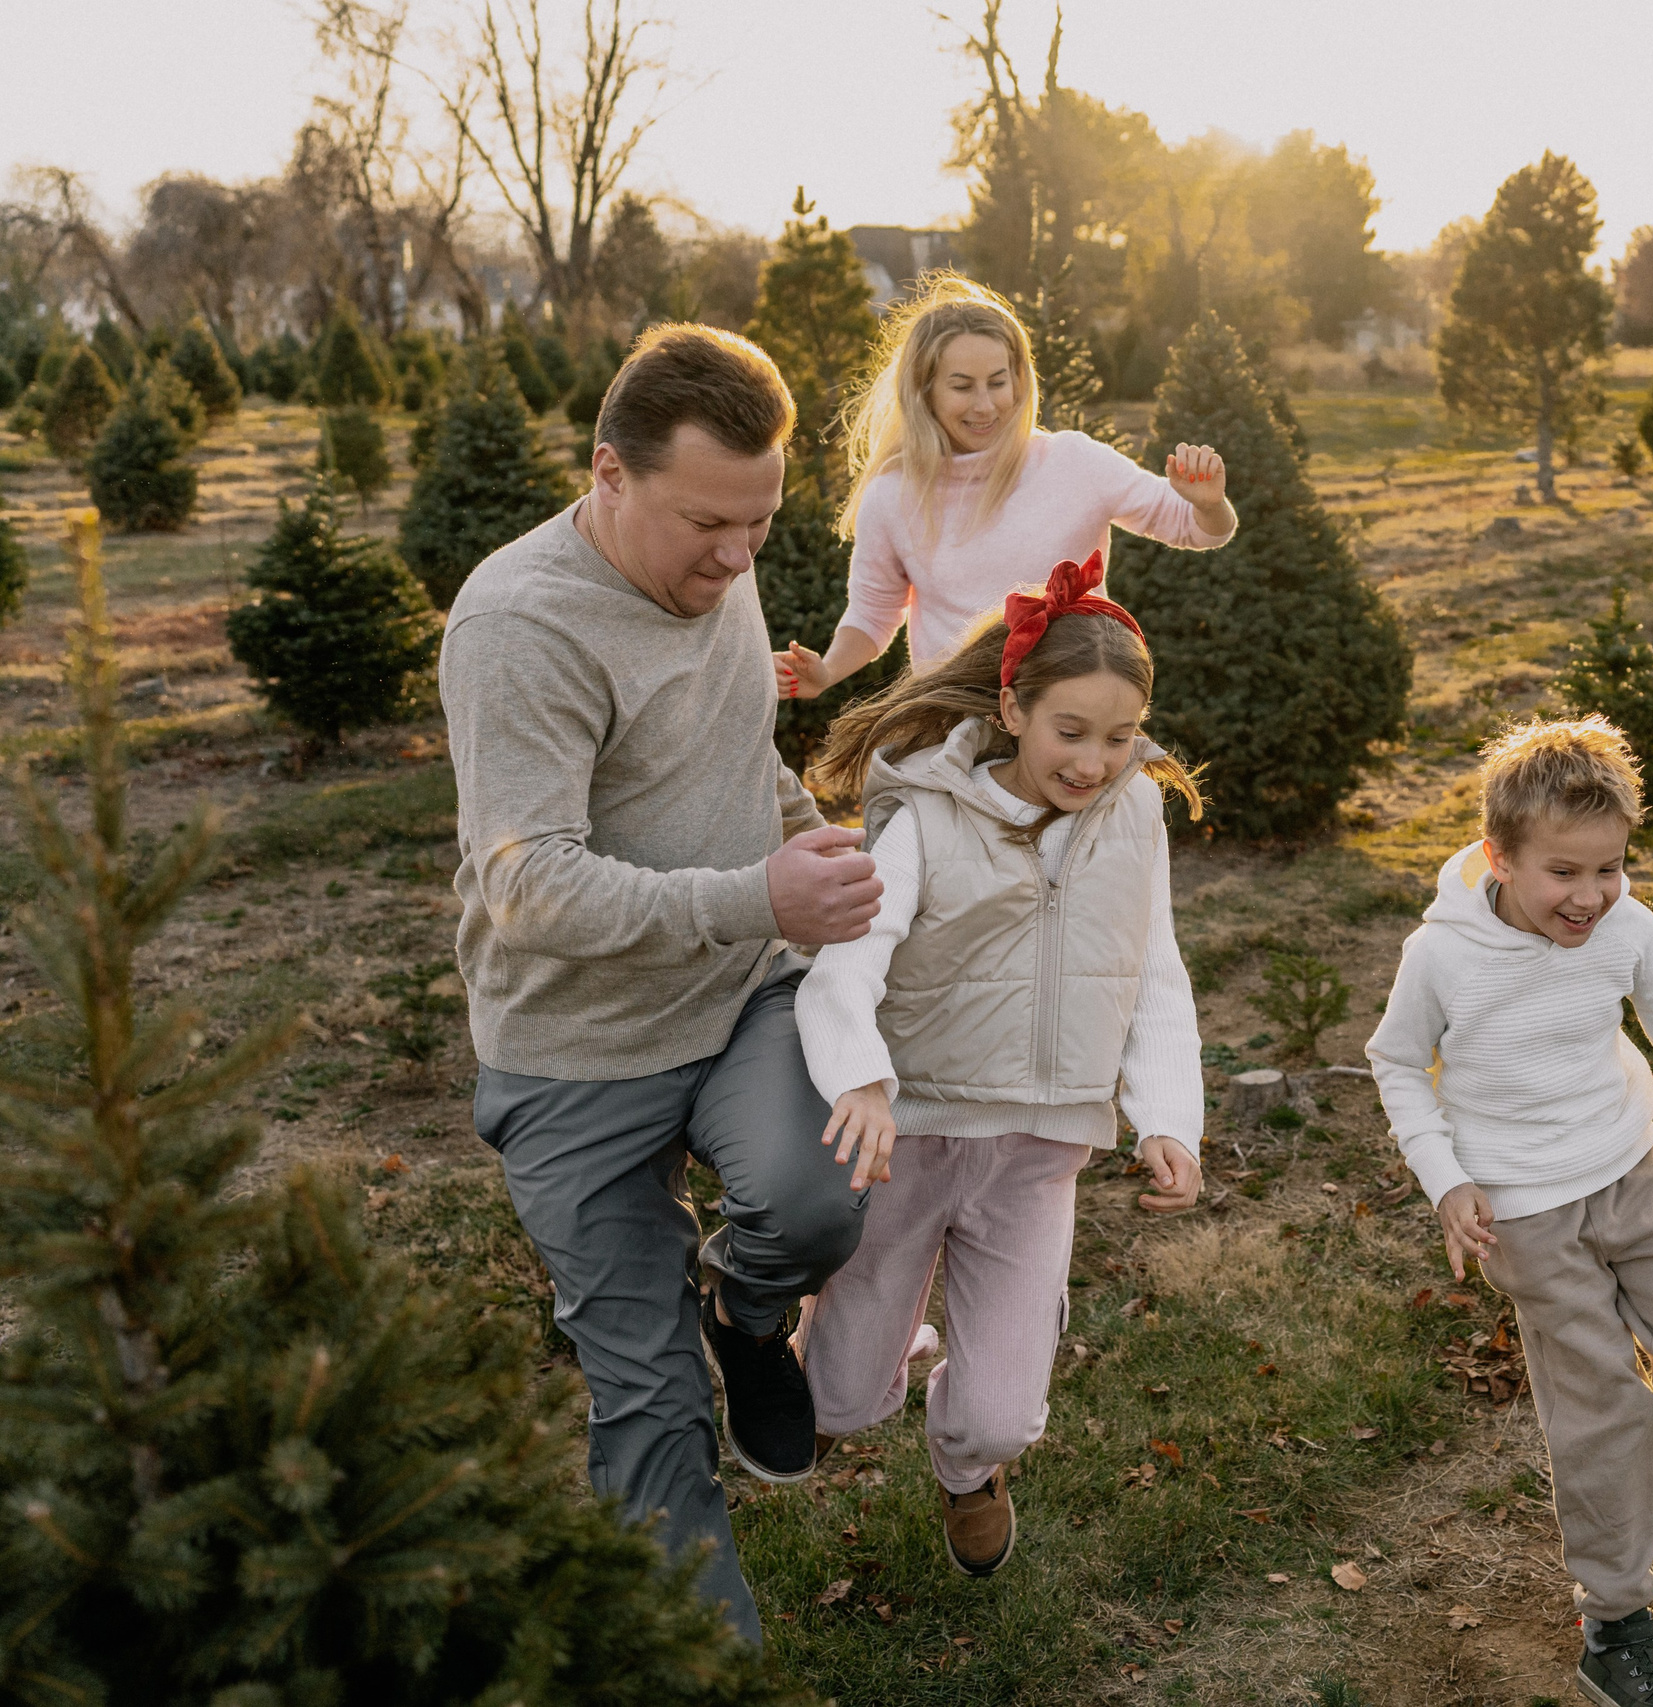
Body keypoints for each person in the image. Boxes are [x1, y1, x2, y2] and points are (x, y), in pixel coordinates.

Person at [441, 323, 886, 1645]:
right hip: (576, 1050)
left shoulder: (719, 564)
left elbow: (738, 751)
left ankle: (752, 1323)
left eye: (760, 522)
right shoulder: (521, 626)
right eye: (708, 522)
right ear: (609, 475)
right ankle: (706, 1664)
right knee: (644, 1398)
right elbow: (527, 883)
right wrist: (757, 894)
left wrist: (802, 832)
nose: (739, 557)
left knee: (812, 1199)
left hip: (737, 992)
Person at [1364, 716, 1653, 1707]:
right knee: (1601, 1407)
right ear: (1496, 856)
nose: (1591, 897)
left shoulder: (1628, 930)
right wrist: (1446, 1178)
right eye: (1564, 872)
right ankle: (1613, 1622)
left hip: (1636, 1171)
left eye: (1610, 869)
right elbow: (1394, 1064)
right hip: (1524, 1211)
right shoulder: (1442, 957)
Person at [789, 552, 1205, 1576]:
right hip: (911, 1138)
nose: (1095, 761)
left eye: (1118, 737)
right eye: (1072, 731)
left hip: (1039, 1149)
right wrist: (860, 1080)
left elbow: (1154, 969)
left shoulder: (1135, 815)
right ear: (1013, 709)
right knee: (832, 1401)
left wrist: (1167, 1119)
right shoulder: (926, 816)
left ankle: (969, 1471)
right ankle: (860, 1346)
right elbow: (848, 963)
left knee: (1000, 1416)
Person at [771, 274, 1236, 691]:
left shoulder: (1074, 461)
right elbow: (873, 616)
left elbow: (1197, 529)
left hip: (1069, 717)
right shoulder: (892, 495)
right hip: (951, 723)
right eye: (961, 385)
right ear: (924, 390)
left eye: (997, 382)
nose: (985, 405)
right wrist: (828, 671)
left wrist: (1208, 504)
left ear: (1019, 379)